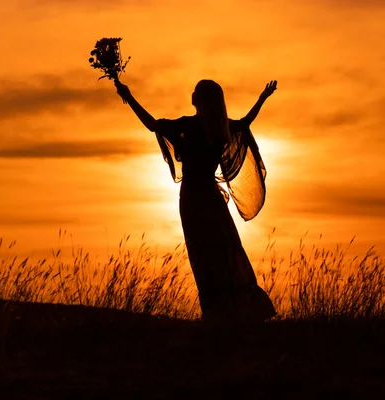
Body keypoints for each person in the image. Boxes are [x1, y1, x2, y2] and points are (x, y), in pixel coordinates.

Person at [114, 77, 278, 323]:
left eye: (195, 92)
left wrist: (130, 98)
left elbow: (152, 125)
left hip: (192, 198)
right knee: (225, 251)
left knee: (202, 255)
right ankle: (236, 309)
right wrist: (262, 99)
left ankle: (214, 311)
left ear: (197, 100)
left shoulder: (188, 127)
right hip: (212, 199)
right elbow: (245, 122)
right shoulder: (222, 128)